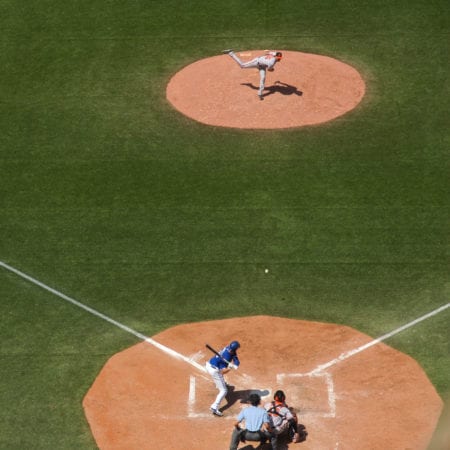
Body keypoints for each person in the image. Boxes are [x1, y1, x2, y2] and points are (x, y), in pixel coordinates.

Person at [205, 340, 240, 416]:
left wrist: (236, 364)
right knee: (224, 390)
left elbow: (235, 357)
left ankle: (219, 383)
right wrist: (230, 367)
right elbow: (222, 372)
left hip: (209, 364)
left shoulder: (228, 348)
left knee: (221, 381)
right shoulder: (226, 357)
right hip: (214, 370)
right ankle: (214, 407)